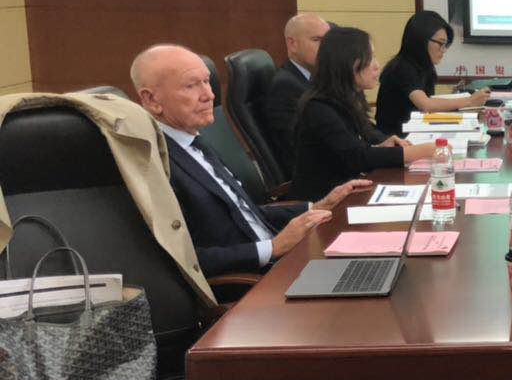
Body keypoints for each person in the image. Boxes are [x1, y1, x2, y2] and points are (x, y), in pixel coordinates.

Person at [130, 44, 366, 276]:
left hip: (282, 261)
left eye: (207, 82)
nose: (209, 95)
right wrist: (273, 248)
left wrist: (317, 206)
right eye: (191, 86)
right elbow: (183, 260)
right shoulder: (155, 166)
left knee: (370, 263)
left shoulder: (194, 142)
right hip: (252, 282)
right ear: (151, 100)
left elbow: (242, 215)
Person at [292, 27, 436, 201]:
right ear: (347, 63)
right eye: (370, 58)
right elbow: (357, 157)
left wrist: (384, 142)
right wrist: (418, 152)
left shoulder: (349, 96)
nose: (377, 65)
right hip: (324, 202)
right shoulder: (318, 107)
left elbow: (366, 131)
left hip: (351, 189)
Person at [375, 10, 489, 137]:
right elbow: (426, 105)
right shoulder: (402, 68)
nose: (444, 50)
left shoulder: (425, 68)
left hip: (415, 136)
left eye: (446, 45)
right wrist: (469, 101)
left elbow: (429, 108)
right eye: (440, 43)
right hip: (394, 141)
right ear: (421, 40)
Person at [264, 13, 330, 176]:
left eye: (328, 41)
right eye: (317, 40)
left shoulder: (316, 78)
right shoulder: (286, 86)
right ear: (292, 44)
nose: (326, 48)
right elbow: (302, 149)